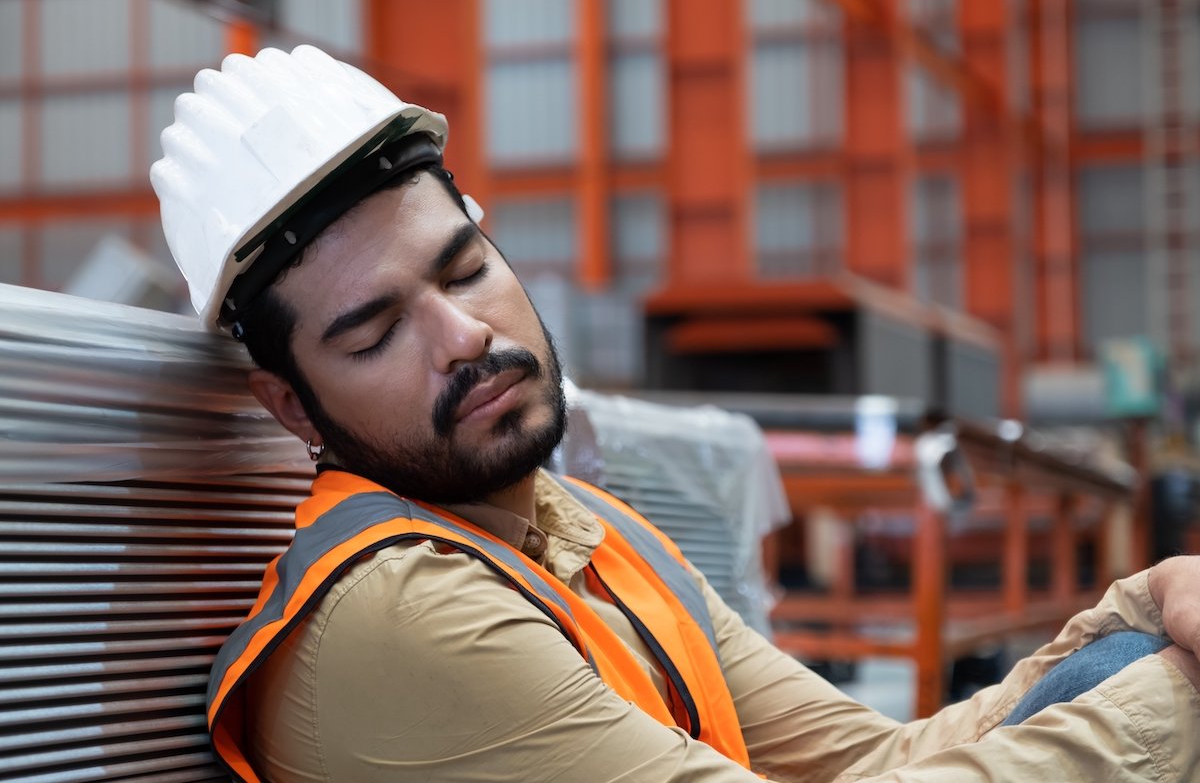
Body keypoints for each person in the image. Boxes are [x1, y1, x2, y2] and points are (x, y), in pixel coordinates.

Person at [152, 45, 1200, 783]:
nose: (463, 335)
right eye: (375, 332)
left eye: (465, 269)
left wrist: (1144, 605)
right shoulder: (398, 619)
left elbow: (872, 761)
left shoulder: (587, 538)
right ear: (293, 404)